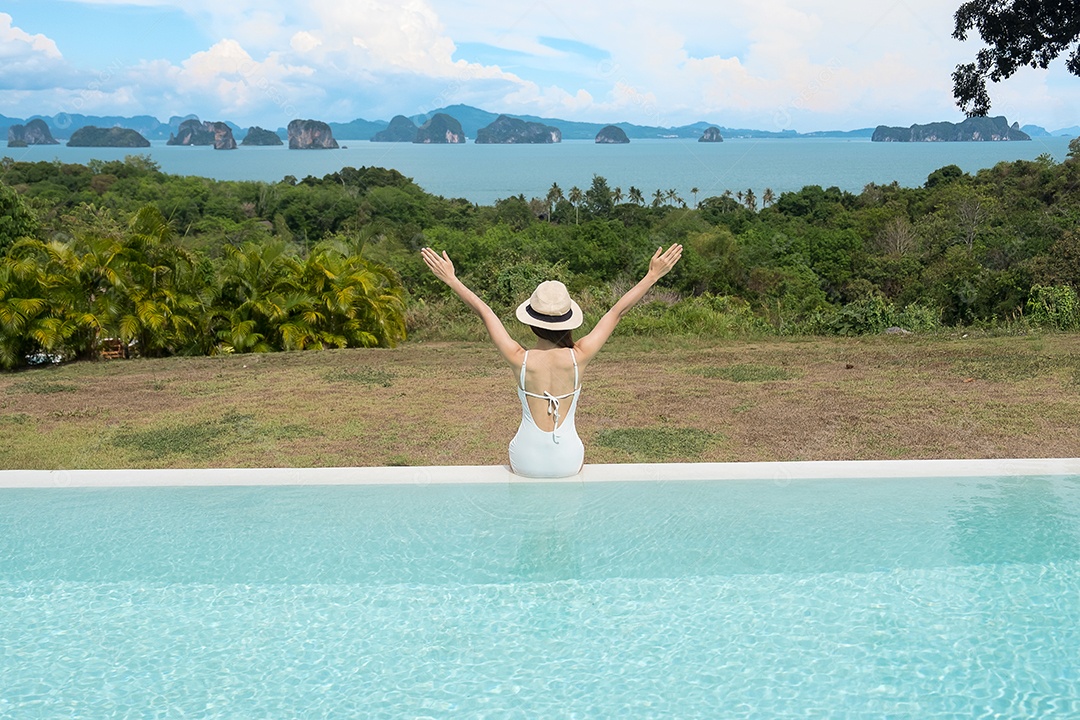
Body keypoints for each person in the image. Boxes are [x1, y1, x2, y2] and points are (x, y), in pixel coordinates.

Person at [420, 244, 683, 477]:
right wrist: (652, 275)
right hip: (567, 460)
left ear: (532, 323)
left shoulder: (519, 358)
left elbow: (485, 312)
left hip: (526, 459)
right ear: (568, 321)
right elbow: (617, 312)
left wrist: (451, 279)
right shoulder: (579, 356)